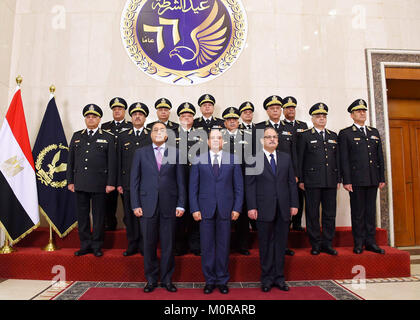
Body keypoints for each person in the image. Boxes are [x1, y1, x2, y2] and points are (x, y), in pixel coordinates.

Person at [130, 122, 187, 293]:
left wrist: (181, 204)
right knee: (148, 245)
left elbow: (181, 182)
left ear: (167, 134)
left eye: (162, 130)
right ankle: (151, 279)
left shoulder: (176, 153)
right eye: (155, 130)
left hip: (169, 206)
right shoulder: (140, 153)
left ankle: (168, 279)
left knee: (169, 245)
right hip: (147, 206)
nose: (158, 132)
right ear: (151, 134)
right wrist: (135, 204)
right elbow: (134, 182)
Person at [189, 129, 244, 294]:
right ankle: (209, 280)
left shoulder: (233, 160)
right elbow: (193, 188)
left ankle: (222, 280)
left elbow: (239, 188)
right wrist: (195, 209)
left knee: (223, 245)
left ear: (223, 141)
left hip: (226, 210)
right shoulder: (198, 160)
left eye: (218, 138)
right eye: (212, 138)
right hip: (204, 210)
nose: (215, 140)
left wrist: (237, 208)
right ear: (207, 141)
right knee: (206, 247)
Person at [245, 127, 298, 292]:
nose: (272, 140)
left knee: (281, 245)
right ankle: (266, 279)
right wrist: (251, 206)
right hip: (263, 208)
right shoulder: (254, 158)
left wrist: (294, 204)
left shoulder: (285, 158)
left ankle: (279, 278)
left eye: (274, 137)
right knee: (266, 245)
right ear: (262, 140)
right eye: (268, 137)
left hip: (283, 208)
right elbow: (250, 185)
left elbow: (291, 183)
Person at [67, 104, 117, 257]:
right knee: (82, 217)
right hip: (80, 182)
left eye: (94, 117)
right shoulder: (77, 136)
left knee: (99, 217)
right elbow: (71, 161)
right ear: (85, 119)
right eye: (88, 117)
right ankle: (85, 245)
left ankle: (97, 245)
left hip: (100, 184)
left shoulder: (108, 137)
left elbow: (112, 162)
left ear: (99, 119)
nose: (91, 119)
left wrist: (111, 183)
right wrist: (70, 181)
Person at [338, 99, 386, 255]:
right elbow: (344, 159)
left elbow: (379, 157)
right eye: (358, 111)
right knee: (358, 213)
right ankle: (358, 243)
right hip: (356, 180)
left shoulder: (373, 132)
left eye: (364, 111)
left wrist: (381, 177)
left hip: (372, 179)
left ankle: (371, 242)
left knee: (370, 212)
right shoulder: (346, 133)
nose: (362, 113)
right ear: (352, 115)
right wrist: (347, 180)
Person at [256, 95, 297, 256]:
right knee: (266, 239)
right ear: (267, 110)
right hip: (265, 185)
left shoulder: (290, 127)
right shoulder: (258, 128)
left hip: (285, 179)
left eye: (278, 108)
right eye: (272, 108)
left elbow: (294, 154)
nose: (275, 110)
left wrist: (296, 175)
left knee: (281, 235)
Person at [297, 103, 340, 256]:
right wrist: (301, 179)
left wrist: (338, 179)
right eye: (318, 116)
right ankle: (315, 243)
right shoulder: (305, 136)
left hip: (330, 181)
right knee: (313, 214)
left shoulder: (333, 136)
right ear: (312, 119)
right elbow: (300, 159)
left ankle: (327, 243)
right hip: (312, 181)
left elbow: (338, 159)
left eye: (324, 116)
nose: (321, 118)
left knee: (330, 214)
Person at [117, 102, 152, 256]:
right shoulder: (123, 136)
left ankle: (145, 245)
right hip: (128, 184)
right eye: (135, 114)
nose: (137, 116)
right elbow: (117, 161)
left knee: (145, 216)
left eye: (141, 114)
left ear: (145, 118)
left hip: (147, 184)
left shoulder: (151, 135)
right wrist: (118, 182)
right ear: (131, 117)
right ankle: (132, 244)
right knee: (129, 216)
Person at [221, 107, 251, 255]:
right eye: (229, 120)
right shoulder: (218, 137)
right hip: (223, 181)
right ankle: (225, 245)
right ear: (224, 123)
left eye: (234, 119)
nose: (232, 122)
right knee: (224, 213)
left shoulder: (249, 136)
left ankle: (242, 245)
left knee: (242, 214)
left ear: (238, 122)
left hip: (243, 180)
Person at [174, 102, 203, 256]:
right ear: (179, 118)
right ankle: (179, 245)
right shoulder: (171, 134)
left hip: (196, 178)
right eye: (184, 116)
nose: (187, 118)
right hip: (178, 179)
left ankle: (195, 244)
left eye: (190, 116)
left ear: (193, 118)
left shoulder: (201, 135)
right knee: (179, 213)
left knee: (194, 211)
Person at [101, 97, 132, 231]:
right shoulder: (105, 127)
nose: (117, 111)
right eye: (115, 109)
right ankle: (110, 226)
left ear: (124, 111)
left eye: (120, 109)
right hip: (108, 170)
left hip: (125, 169)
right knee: (108, 202)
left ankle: (129, 226)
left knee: (128, 202)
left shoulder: (131, 126)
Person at [282, 96, 308, 232]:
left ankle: (297, 223)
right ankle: (286, 222)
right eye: (288, 108)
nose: (291, 110)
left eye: (293, 108)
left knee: (299, 195)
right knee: (286, 196)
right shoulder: (281, 126)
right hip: (287, 166)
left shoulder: (302, 126)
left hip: (301, 166)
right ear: (283, 110)